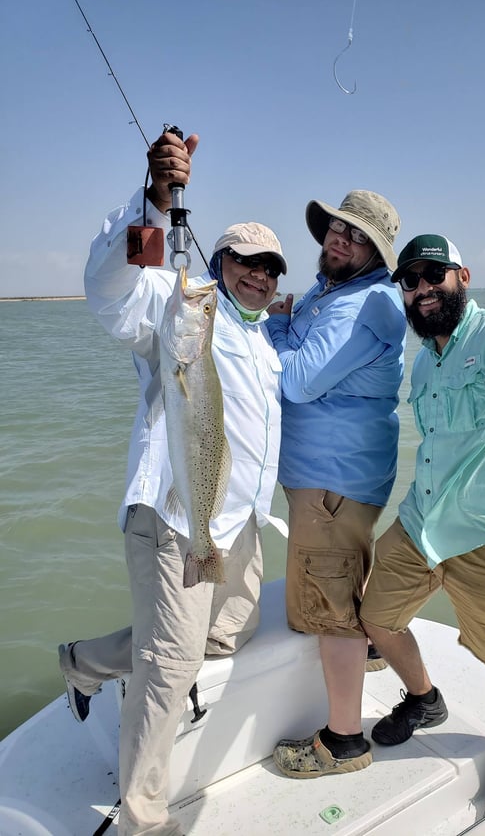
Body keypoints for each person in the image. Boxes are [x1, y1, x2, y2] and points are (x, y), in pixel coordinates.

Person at [58, 130, 286, 835]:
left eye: (269, 268)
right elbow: (108, 286)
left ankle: (85, 660)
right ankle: (142, 816)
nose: (256, 275)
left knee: (223, 636)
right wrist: (155, 200)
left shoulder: (259, 335)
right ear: (219, 260)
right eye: (244, 262)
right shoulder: (178, 300)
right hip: (175, 513)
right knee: (170, 663)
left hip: (236, 520)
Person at [358, 234, 485, 814]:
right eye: (411, 280)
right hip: (421, 521)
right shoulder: (421, 363)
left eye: (434, 275)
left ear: (462, 276)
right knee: (375, 616)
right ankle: (424, 698)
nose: (423, 289)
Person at [265, 190, 406, 777]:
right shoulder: (333, 292)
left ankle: (344, 741)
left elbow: (296, 381)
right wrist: (291, 329)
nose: (340, 239)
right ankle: (370, 653)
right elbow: (307, 360)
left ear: (377, 252)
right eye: (337, 228)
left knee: (328, 612)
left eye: (358, 236)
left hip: (332, 482)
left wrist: (274, 327)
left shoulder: (366, 304)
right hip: (328, 479)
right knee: (337, 587)